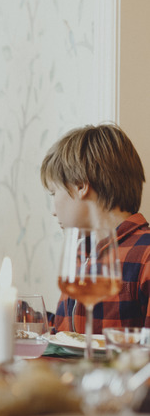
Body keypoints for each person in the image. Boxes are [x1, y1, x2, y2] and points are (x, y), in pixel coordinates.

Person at [40, 123, 150, 334]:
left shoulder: (146, 254)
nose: (53, 211)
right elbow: (69, 335)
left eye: (54, 193)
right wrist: (19, 313)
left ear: (81, 186)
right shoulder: (82, 251)